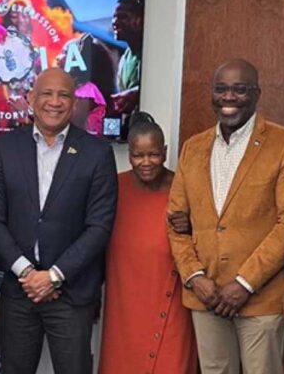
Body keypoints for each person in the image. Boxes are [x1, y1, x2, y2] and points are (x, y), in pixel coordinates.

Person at [167, 59, 284, 374]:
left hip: (260, 298)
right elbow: (175, 224)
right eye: (221, 89)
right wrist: (194, 278)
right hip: (206, 296)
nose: (228, 97)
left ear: (257, 94)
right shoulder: (193, 148)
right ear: (212, 94)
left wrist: (244, 283)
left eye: (239, 90)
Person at [0, 67, 118, 374]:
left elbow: (99, 226)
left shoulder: (97, 153)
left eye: (64, 95)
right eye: (46, 93)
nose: (54, 102)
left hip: (71, 294)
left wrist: (54, 276)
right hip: (19, 290)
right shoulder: (4, 148)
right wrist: (29, 273)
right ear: (31, 98)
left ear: (74, 103)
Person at [99, 112, 197, 374]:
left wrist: (192, 227)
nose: (146, 162)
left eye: (153, 154)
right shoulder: (113, 187)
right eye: (137, 155)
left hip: (172, 298)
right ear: (128, 154)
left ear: (164, 152)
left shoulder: (183, 188)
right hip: (124, 301)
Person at [111, 0, 143, 115]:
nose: (115, 22)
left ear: (140, 20)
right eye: (114, 17)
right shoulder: (125, 58)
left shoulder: (154, 55)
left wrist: (136, 94)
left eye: (122, 17)